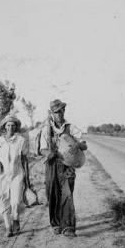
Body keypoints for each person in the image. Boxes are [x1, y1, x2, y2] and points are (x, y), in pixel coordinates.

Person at [39, 99, 87, 237]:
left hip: (68, 166)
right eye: (56, 112)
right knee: (52, 194)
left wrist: (78, 145)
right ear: (52, 114)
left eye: (61, 111)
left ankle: (68, 227)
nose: (59, 114)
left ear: (64, 111)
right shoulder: (45, 129)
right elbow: (42, 149)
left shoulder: (70, 127)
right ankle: (55, 224)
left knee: (67, 194)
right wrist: (48, 153)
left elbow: (84, 144)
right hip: (52, 165)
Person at [0, 115, 29, 237]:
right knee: (3, 200)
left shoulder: (21, 140)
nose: (10, 127)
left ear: (16, 127)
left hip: (16, 174)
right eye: (8, 125)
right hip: (2, 175)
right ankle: (8, 227)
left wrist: (28, 177)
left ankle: (16, 217)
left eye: (13, 125)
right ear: (4, 127)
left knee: (16, 201)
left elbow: (24, 159)